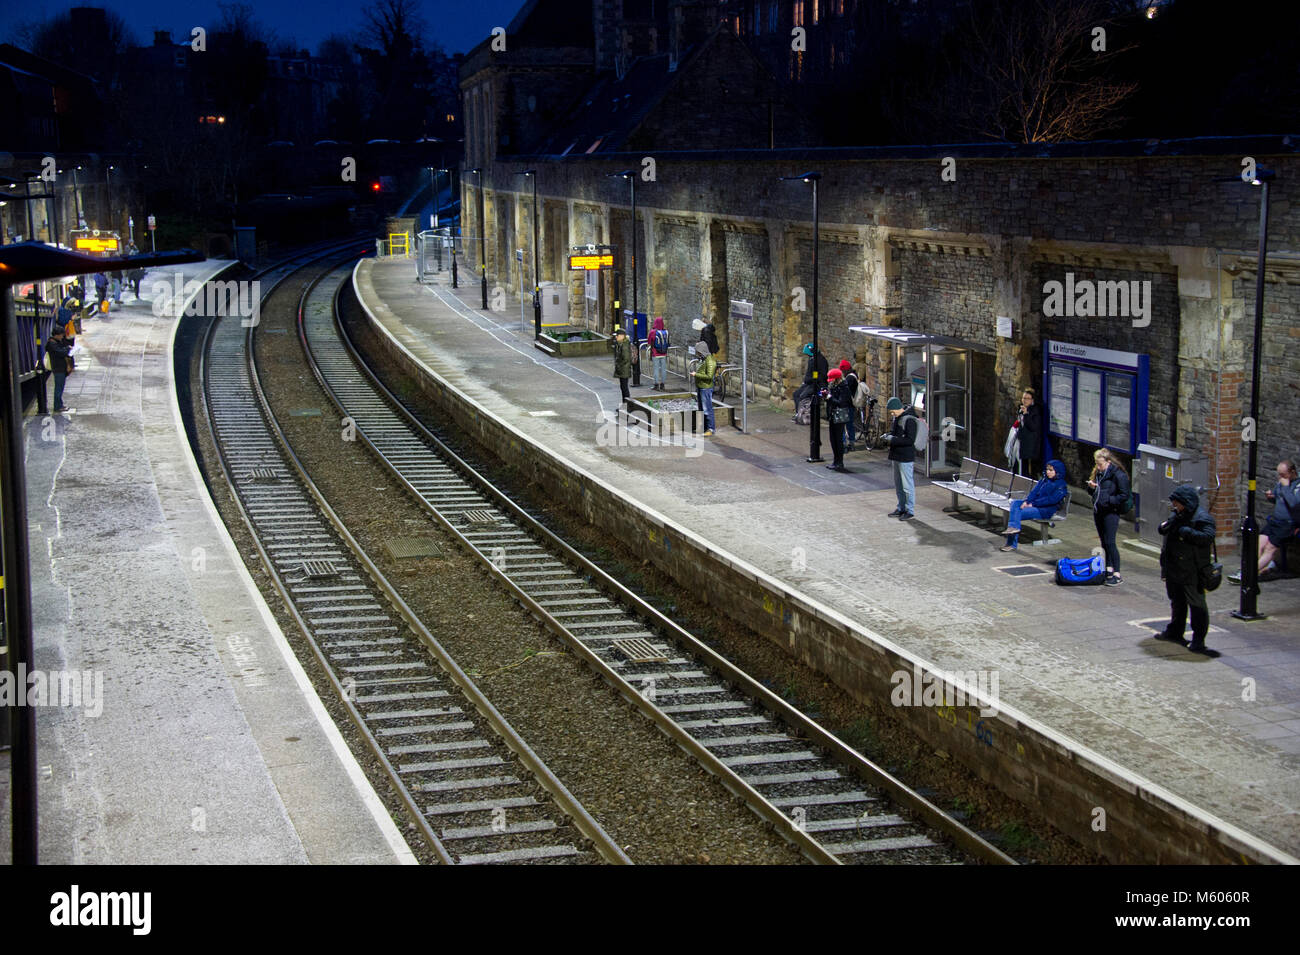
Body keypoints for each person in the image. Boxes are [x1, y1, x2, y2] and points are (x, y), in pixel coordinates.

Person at [1154, 484, 1218, 655]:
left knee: (1196, 605)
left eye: (1177, 503)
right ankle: (1175, 630)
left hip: (1192, 569)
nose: (1174, 506)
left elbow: (1208, 537)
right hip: (1174, 567)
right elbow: (1165, 529)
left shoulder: (1202, 518)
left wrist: (1186, 532)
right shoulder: (1177, 515)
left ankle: (1198, 639)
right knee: (1177, 601)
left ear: (1186, 502)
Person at [1232, 459, 1300, 581]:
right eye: (1279, 474)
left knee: (1270, 548)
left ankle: (1248, 575)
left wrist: (1285, 488)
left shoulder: (1297, 486)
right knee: (1259, 543)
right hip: (1275, 521)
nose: (1280, 477)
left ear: (1292, 472)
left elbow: (1294, 504)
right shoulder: (1282, 482)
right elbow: (1280, 500)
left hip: (1288, 524)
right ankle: (1249, 569)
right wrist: (1271, 496)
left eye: (1283, 474)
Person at [1000, 459, 1069, 551]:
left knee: (1016, 514)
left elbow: (1052, 500)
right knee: (1015, 503)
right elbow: (1034, 492)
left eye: (1051, 470)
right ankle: (1013, 528)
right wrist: (1027, 501)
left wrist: (1033, 504)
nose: (1048, 472)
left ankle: (1011, 543)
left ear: (1058, 471)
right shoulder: (1044, 480)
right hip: (1034, 504)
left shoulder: (1061, 485)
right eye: (1047, 469)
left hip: (1045, 510)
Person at [1086, 448, 1130, 586]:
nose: (1098, 467)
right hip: (1099, 511)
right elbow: (1093, 492)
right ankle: (1108, 569)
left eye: (1101, 464)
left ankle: (1117, 573)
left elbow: (1124, 495)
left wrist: (1108, 500)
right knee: (1104, 542)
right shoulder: (1098, 473)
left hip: (1111, 512)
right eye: (1097, 464)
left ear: (1108, 462)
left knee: (1110, 542)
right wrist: (1092, 488)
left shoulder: (1118, 475)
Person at [878, 397, 919, 519]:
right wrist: (888, 436)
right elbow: (895, 433)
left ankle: (909, 510)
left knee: (907, 485)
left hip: (906, 457)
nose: (892, 413)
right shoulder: (898, 418)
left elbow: (910, 440)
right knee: (899, 484)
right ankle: (901, 507)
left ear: (897, 407)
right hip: (896, 455)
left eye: (892, 411)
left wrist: (893, 439)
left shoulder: (910, 420)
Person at [822, 367, 853, 472]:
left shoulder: (844, 388)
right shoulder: (834, 386)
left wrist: (829, 398)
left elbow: (841, 403)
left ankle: (839, 462)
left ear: (837, 378)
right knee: (833, 439)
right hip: (833, 416)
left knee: (838, 440)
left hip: (839, 417)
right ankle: (836, 461)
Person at [792, 343, 828, 421]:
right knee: (796, 394)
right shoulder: (812, 359)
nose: (808, 356)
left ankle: (804, 415)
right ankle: (799, 413)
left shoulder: (821, 361)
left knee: (803, 396)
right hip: (809, 383)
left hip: (817, 385)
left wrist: (811, 379)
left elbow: (822, 376)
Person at [44, 323, 74, 413]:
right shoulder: (52, 344)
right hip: (58, 368)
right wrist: (68, 349)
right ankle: (57, 406)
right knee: (58, 387)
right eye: (61, 335)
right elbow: (60, 352)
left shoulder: (56, 342)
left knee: (60, 387)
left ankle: (59, 404)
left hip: (60, 368)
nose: (62, 337)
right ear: (57, 335)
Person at [1015, 388, 1043, 478]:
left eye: (1027, 398)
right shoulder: (1021, 408)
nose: (1024, 400)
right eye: (1023, 398)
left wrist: (1026, 414)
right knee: (1023, 465)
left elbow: (1033, 427)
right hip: (1023, 441)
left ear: (1032, 400)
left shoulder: (1036, 411)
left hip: (1032, 443)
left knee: (1031, 467)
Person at [694, 341, 717, 436]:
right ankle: (703, 427)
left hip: (706, 388)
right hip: (700, 386)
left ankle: (710, 429)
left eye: (698, 352)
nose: (697, 354)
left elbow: (709, 376)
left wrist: (696, 374)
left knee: (707, 408)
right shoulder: (702, 359)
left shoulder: (710, 361)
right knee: (701, 408)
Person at [838, 360, 860, 450]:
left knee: (843, 425)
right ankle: (852, 443)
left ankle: (844, 444)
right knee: (850, 425)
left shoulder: (849, 379)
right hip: (851, 406)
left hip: (846, 405)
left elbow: (845, 392)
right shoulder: (854, 376)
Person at [610, 325, 632, 401]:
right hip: (622, 369)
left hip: (624, 369)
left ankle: (627, 405)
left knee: (624, 388)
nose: (616, 337)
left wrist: (619, 366)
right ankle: (625, 405)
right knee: (623, 387)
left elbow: (626, 358)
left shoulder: (624, 345)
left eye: (617, 336)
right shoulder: (620, 344)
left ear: (622, 336)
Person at [649, 317, 670, 391]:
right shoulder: (666, 332)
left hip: (655, 353)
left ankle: (656, 384)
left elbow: (649, 342)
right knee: (664, 369)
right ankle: (663, 385)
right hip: (664, 353)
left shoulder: (653, 332)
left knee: (656, 369)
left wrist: (651, 354)